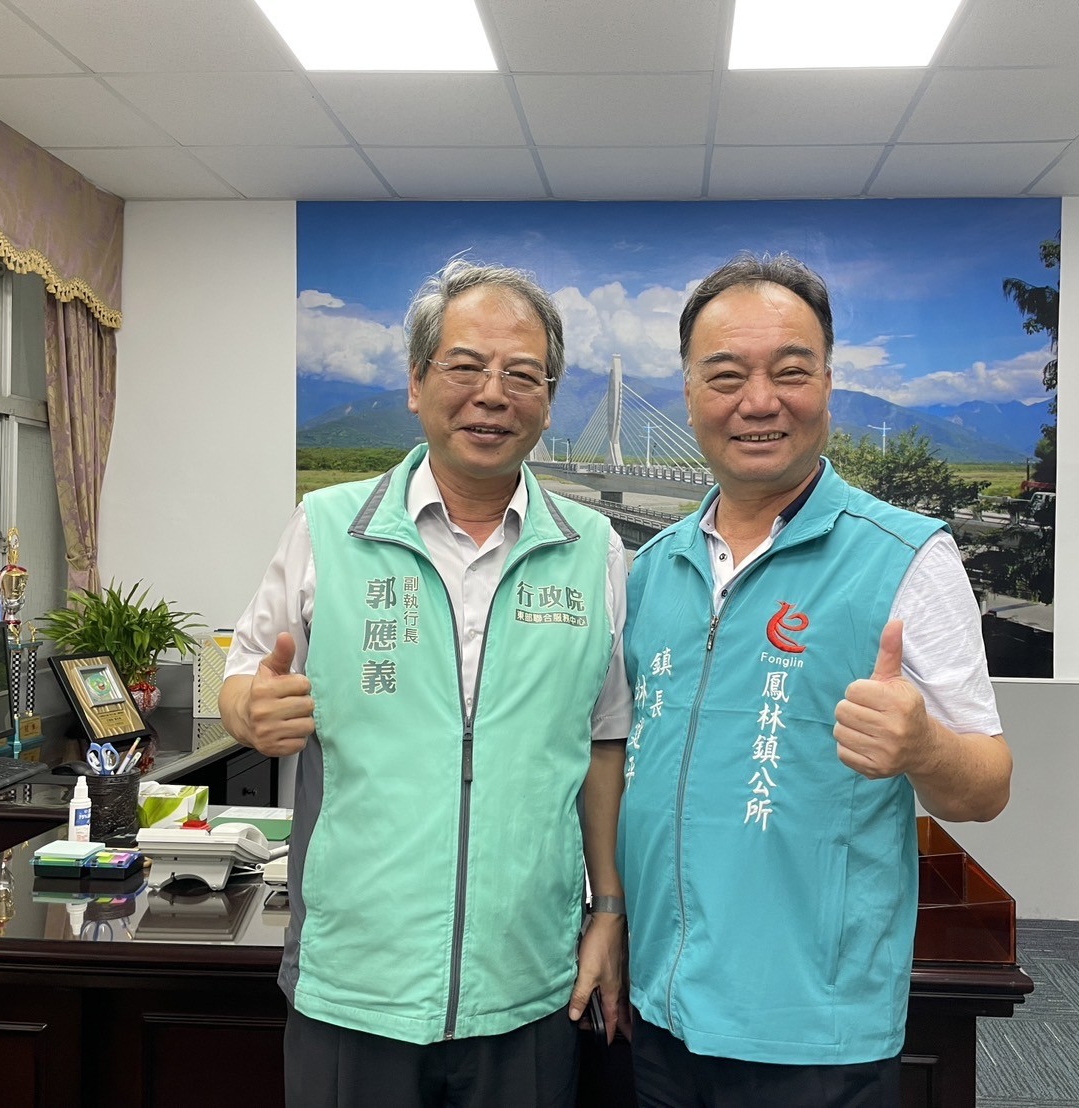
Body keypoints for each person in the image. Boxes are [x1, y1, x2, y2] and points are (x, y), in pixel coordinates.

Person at [219, 258, 631, 1108]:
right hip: (354, 980)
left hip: (527, 980)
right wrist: (250, 710)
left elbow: (602, 743)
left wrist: (608, 907)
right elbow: (242, 674)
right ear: (415, 383)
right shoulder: (327, 525)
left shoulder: (593, 550)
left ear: (549, 400)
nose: (493, 395)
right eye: (465, 366)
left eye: (522, 375)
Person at [617, 254, 1012, 1107]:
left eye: (790, 372)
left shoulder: (905, 556)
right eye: (725, 376)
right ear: (688, 393)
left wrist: (921, 746)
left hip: (809, 1031)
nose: (758, 401)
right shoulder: (654, 567)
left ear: (828, 383)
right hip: (659, 1009)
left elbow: (985, 787)